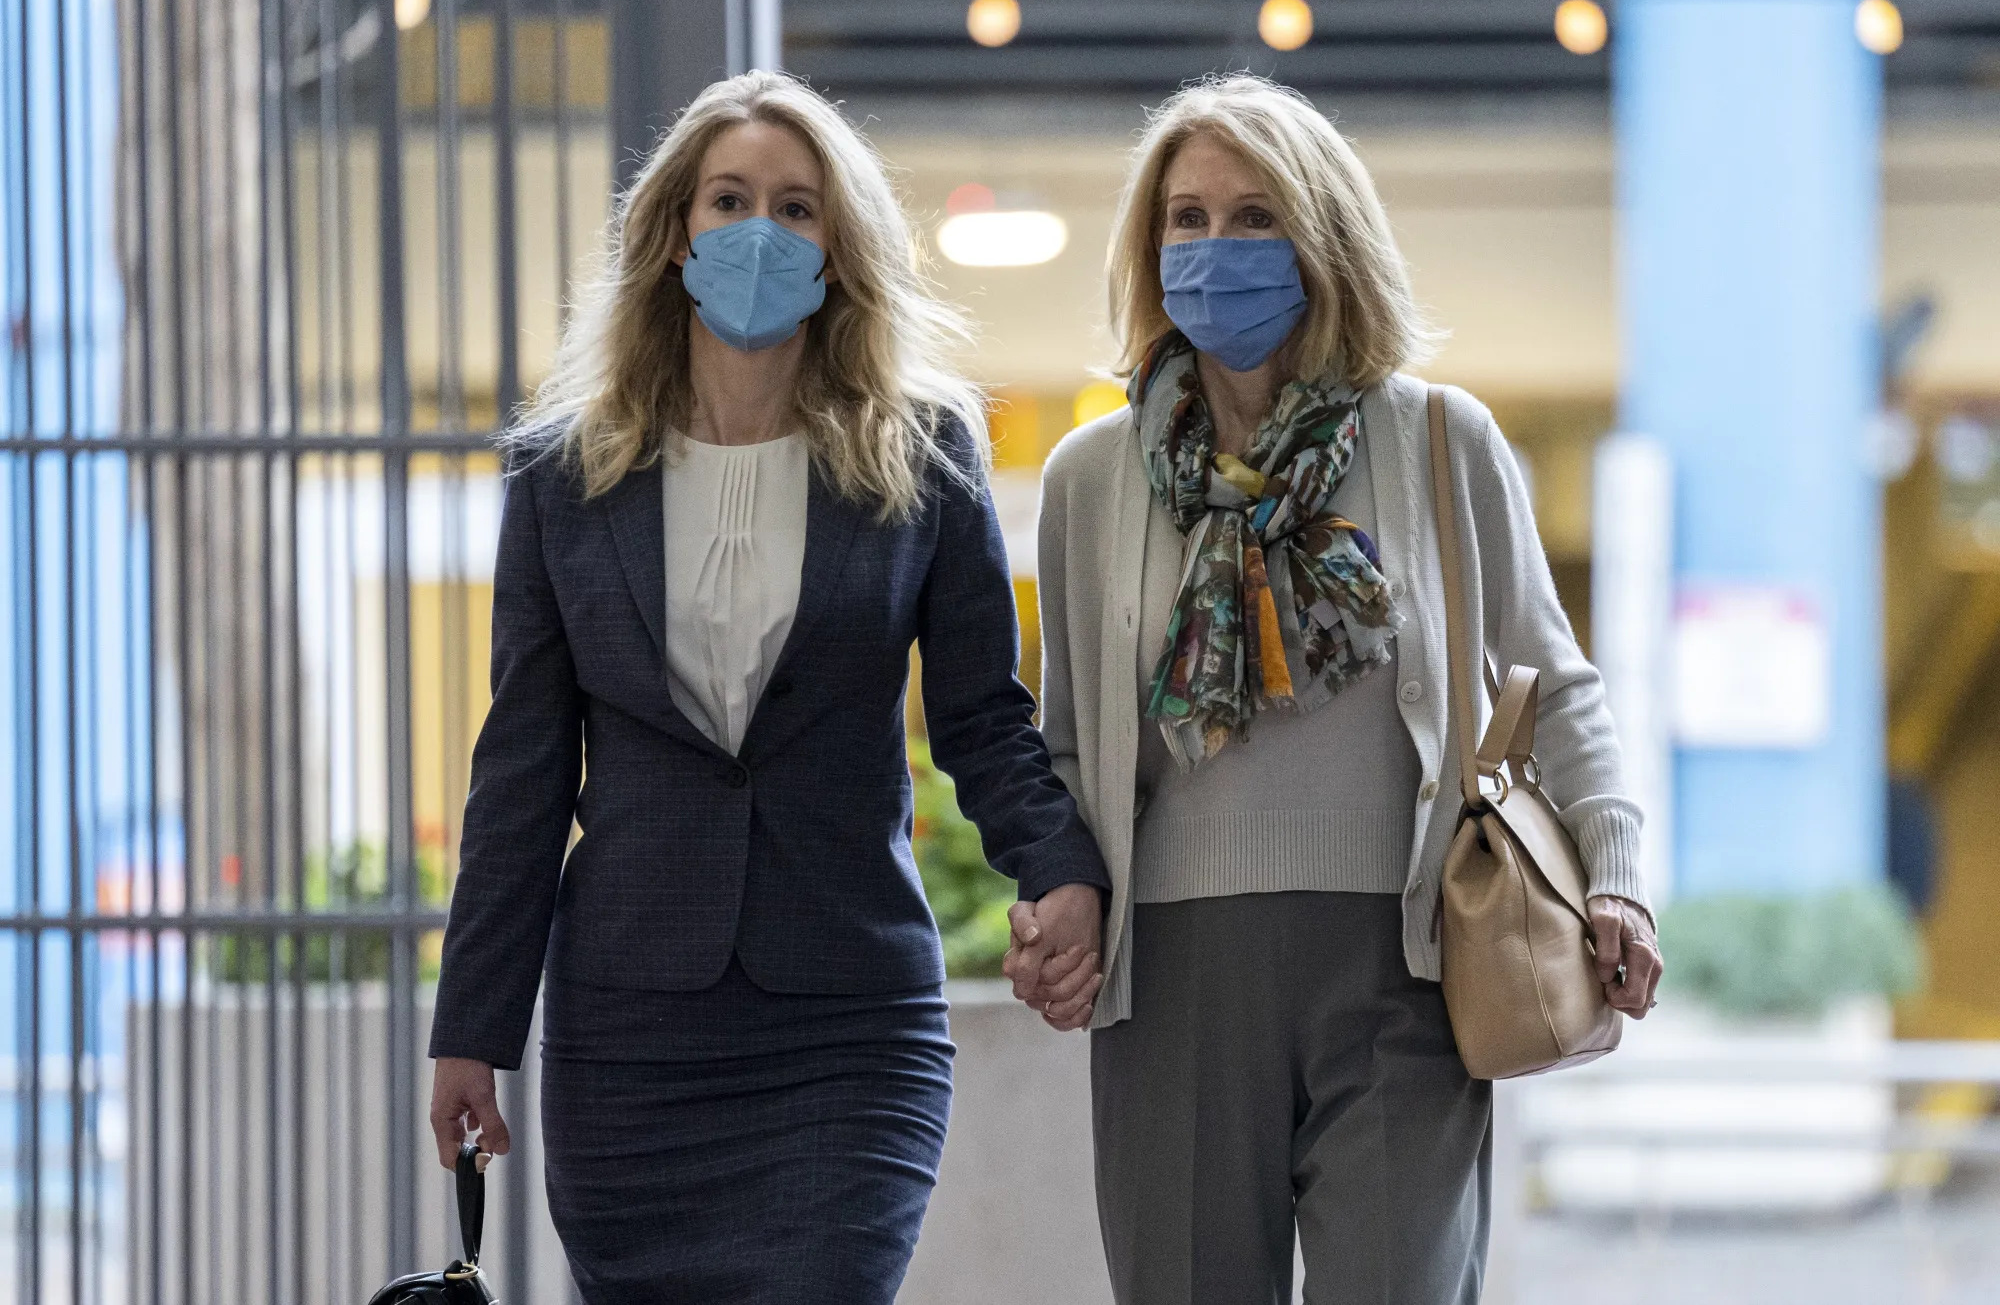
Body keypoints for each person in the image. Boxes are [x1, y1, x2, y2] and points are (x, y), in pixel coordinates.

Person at [426, 70, 1109, 1305]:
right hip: (629, 1039)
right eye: (728, 198)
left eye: (796, 209)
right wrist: (470, 1025)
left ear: (839, 248)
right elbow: (522, 764)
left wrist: (1060, 869)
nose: (758, 230)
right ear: (672, 232)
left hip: (845, 1026)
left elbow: (980, 716)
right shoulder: (560, 473)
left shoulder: (925, 449)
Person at [1012, 75, 1663, 1305]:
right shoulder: (1091, 477)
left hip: (1403, 965)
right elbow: (1063, 748)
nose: (1214, 249)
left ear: (1325, 239)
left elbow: (1552, 678)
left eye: (1254, 218)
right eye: (1185, 220)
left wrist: (1614, 873)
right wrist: (1054, 899)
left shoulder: (1436, 441)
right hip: (1174, 983)